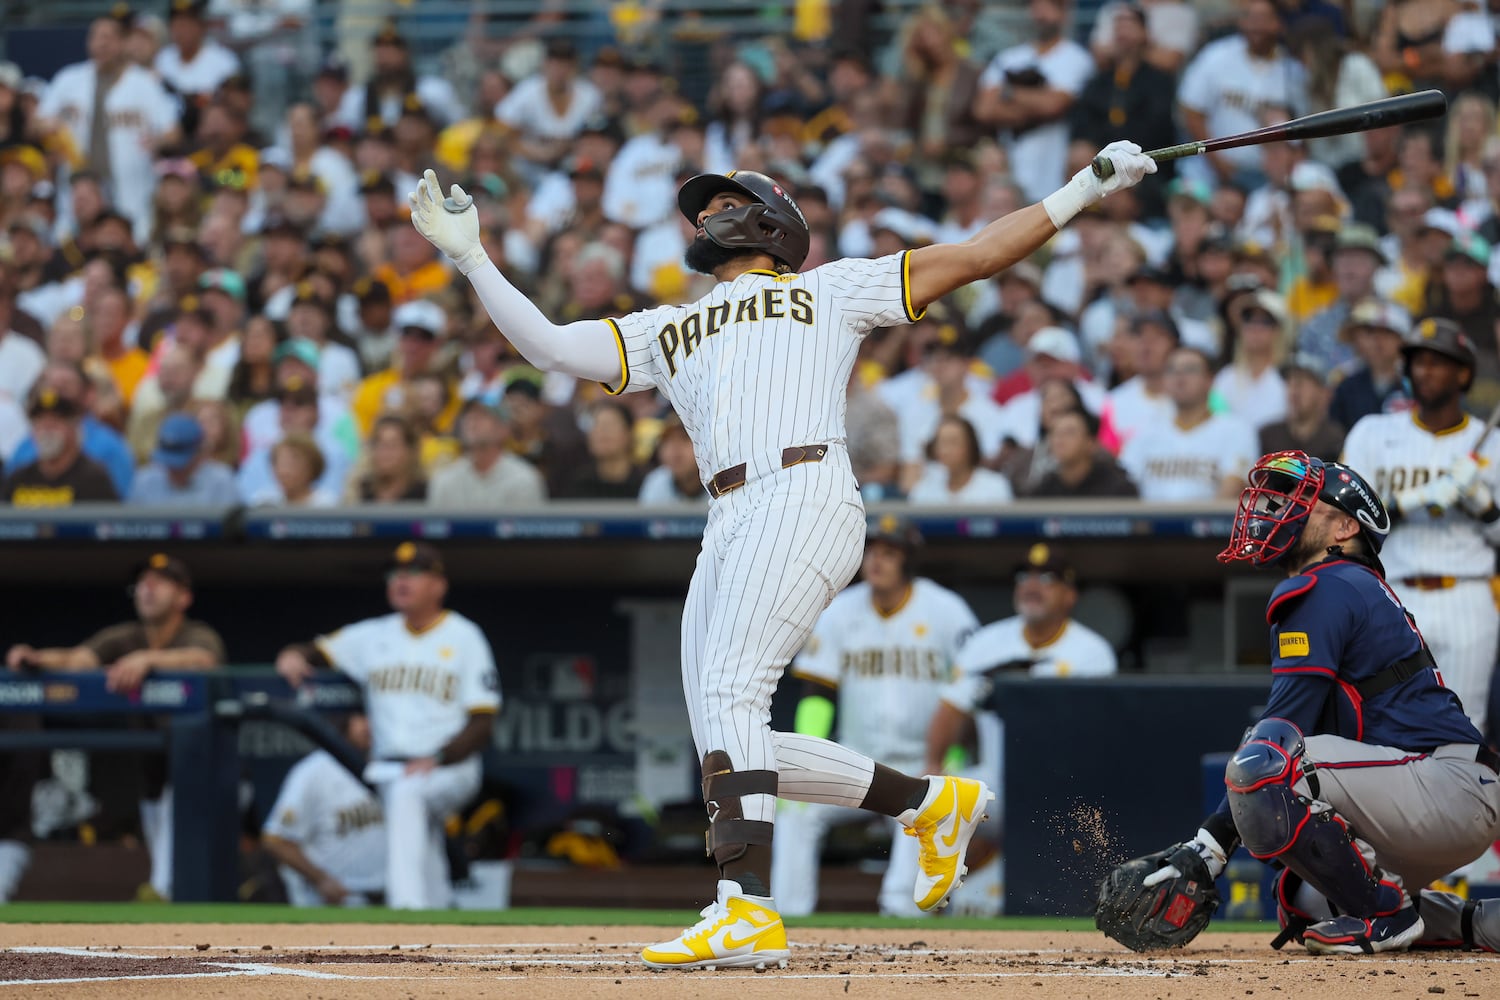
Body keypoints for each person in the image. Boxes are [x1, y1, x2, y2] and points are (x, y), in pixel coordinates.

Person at [407, 132, 1155, 968]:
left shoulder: (829, 289)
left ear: (773, 223)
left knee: (732, 692)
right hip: (727, 514)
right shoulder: (670, 327)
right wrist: (474, 258)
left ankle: (746, 909)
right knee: (727, 733)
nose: (707, 214)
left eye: (726, 203)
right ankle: (930, 805)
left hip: (804, 489)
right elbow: (548, 346)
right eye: (701, 207)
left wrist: (1086, 186)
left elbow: (979, 254)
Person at [1096, 451, 1500, 956]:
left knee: (1264, 763)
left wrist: (1207, 850)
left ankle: (1386, 916)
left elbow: (1281, 734)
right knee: (1306, 895)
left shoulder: (1328, 583)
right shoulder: (1350, 586)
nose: (1279, 508)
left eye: (1303, 500)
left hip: (1444, 788)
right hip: (1443, 794)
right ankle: (1474, 922)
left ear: (1345, 528)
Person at [770, 517, 981, 918]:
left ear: (907, 562)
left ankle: (902, 922)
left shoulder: (946, 610)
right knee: (798, 813)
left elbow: (969, 693)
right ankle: (790, 917)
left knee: (916, 826)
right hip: (856, 759)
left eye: (889, 553)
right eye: (871, 552)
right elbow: (819, 694)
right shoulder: (839, 611)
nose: (876, 561)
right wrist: (806, 760)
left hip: (921, 761)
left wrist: (950, 754)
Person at [274, 542, 501, 910]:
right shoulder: (373, 635)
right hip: (390, 765)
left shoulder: (464, 636)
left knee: (409, 795)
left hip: (450, 766)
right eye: (395, 574)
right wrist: (294, 654)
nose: (401, 581)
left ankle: (406, 908)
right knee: (416, 826)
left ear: (438, 585)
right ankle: (439, 911)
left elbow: (483, 721)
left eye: (414, 573)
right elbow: (317, 650)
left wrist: (441, 757)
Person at [5, 553, 226, 900]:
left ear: (184, 596)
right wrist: (38, 657)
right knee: (155, 801)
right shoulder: (125, 636)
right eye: (142, 583)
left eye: (160, 582)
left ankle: (164, 886)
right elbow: (79, 659)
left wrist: (148, 660)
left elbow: (205, 659)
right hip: (153, 757)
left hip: (202, 758)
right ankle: (164, 887)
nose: (147, 588)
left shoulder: (195, 634)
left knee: (177, 797)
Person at [925, 544, 1118, 917]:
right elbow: (950, 708)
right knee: (926, 800)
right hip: (996, 784)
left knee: (983, 905)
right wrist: (933, 763)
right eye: (1024, 577)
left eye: (1047, 579)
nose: (1032, 585)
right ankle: (900, 909)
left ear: (1069, 595)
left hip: (1062, 794)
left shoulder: (1092, 653)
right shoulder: (986, 643)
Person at [1339, 318, 1500, 735]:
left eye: (1437, 362)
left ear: (1463, 372)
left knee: (1465, 732)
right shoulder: (1373, 432)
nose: (1424, 371)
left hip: (1467, 594)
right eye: (1417, 362)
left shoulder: (1492, 445)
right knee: (1385, 728)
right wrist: (1414, 500)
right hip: (1391, 595)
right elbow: (1346, 518)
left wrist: (1483, 507)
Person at [261, 711, 386, 907]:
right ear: (343, 721)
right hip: (339, 900)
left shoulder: (387, 766)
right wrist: (320, 879)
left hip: (390, 899)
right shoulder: (313, 772)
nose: (369, 726)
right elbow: (276, 839)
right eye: (360, 717)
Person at [1119, 346, 1259, 501]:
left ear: (1210, 380)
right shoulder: (1145, 432)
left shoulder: (1236, 429)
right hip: (1150, 523)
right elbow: (1124, 486)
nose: (1180, 377)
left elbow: (1233, 487)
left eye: (1190, 369)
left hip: (1212, 523)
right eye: (1172, 370)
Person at [4, 388, 119, 506]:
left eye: (55, 423)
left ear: (73, 428)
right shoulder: (19, 479)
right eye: (40, 422)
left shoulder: (94, 480)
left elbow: (109, 521)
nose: (47, 430)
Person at [427, 401, 547, 508]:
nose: (472, 421)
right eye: (469, 416)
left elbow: (528, 529)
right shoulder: (445, 480)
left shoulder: (523, 479)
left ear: (503, 429)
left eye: (481, 416)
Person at [128, 411, 239, 506]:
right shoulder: (144, 481)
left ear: (200, 455)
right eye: (168, 463)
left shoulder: (222, 482)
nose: (173, 469)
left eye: (181, 465)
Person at [1028, 407, 1139, 498]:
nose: (1059, 440)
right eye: (1055, 433)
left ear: (1091, 443)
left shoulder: (1118, 488)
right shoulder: (1044, 489)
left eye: (1070, 433)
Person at [908, 414, 1017, 504]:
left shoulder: (995, 487)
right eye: (941, 443)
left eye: (953, 442)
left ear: (970, 446)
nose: (945, 450)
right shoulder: (924, 490)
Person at [1260, 353, 1346, 461]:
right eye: (1289, 382)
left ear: (1324, 393)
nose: (1294, 390)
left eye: (1301, 382)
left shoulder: (1336, 440)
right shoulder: (1269, 437)